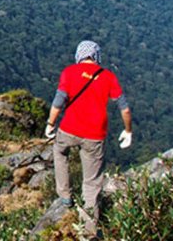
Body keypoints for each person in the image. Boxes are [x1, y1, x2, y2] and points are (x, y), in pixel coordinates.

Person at [45, 40, 132, 237]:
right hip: (94, 135)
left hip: (68, 130)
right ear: (96, 56)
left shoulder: (69, 72)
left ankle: (65, 197)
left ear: (79, 55)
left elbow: (58, 102)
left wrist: (50, 125)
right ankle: (90, 228)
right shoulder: (108, 77)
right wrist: (128, 131)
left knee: (59, 153)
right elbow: (124, 108)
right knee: (92, 181)